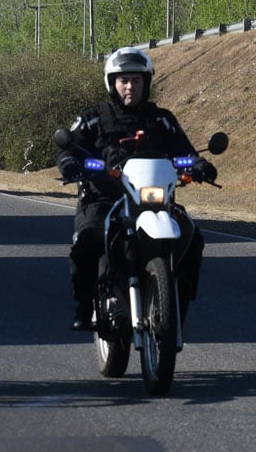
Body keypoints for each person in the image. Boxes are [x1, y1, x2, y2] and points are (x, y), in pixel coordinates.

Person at [56, 46, 213, 331]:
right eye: (123, 80)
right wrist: (69, 163)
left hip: (155, 200)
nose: (130, 86)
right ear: (112, 83)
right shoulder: (93, 117)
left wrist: (199, 164)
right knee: (89, 239)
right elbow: (70, 149)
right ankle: (84, 302)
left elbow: (185, 151)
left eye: (136, 80)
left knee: (193, 237)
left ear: (146, 83)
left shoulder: (162, 119)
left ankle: (177, 303)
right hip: (103, 198)